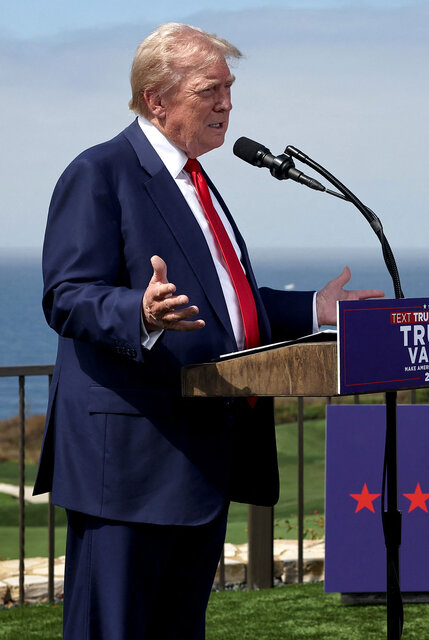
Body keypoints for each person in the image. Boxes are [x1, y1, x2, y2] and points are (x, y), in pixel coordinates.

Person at [36, 23, 383, 639]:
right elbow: (67, 297)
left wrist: (314, 310)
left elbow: (226, 304)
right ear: (157, 99)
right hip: (130, 468)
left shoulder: (198, 181)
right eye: (210, 90)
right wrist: (138, 313)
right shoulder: (100, 172)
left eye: (229, 88)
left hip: (199, 461)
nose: (227, 103)